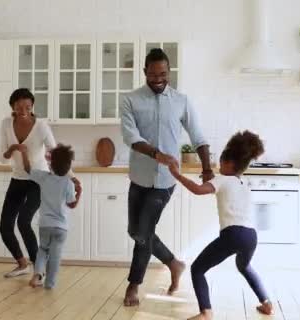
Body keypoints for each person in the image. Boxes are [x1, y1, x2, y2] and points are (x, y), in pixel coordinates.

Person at [120, 48, 213, 306]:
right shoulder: (130, 99)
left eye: (163, 74)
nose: (158, 79)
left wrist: (206, 168)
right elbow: (130, 136)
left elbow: (198, 136)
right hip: (139, 177)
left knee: (143, 232)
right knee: (135, 230)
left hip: (165, 182)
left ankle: (133, 286)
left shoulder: (181, 100)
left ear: (169, 72)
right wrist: (157, 154)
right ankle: (174, 263)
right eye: (152, 74)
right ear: (145, 73)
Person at [168, 131, 273, 320]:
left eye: (220, 164)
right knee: (244, 266)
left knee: (197, 269)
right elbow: (216, 184)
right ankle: (266, 302)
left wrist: (177, 174)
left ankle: (206, 312)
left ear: (228, 164)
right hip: (251, 236)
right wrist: (209, 175)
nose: (217, 168)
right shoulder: (244, 182)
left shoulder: (222, 179)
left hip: (233, 234)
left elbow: (199, 189)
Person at [0, 88, 79, 277]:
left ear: (32, 106)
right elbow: (2, 158)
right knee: (5, 226)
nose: (23, 110)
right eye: (19, 107)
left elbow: (55, 153)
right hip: (18, 178)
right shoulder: (5, 124)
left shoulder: (41, 126)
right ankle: (22, 263)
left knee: (24, 221)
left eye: (27, 106)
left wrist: (72, 176)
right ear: (12, 107)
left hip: (39, 180)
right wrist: (12, 149)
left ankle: (39, 269)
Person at [22, 144, 81, 289]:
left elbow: (28, 169)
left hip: (45, 224)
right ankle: (50, 284)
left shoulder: (44, 178)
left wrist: (24, 154)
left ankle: (37, 274)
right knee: (55, 256)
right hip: (61, 227)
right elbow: (72, 204)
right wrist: (79, 192)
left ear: (51, 164)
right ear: (68, 167)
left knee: (42, 250)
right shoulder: (68, 183)